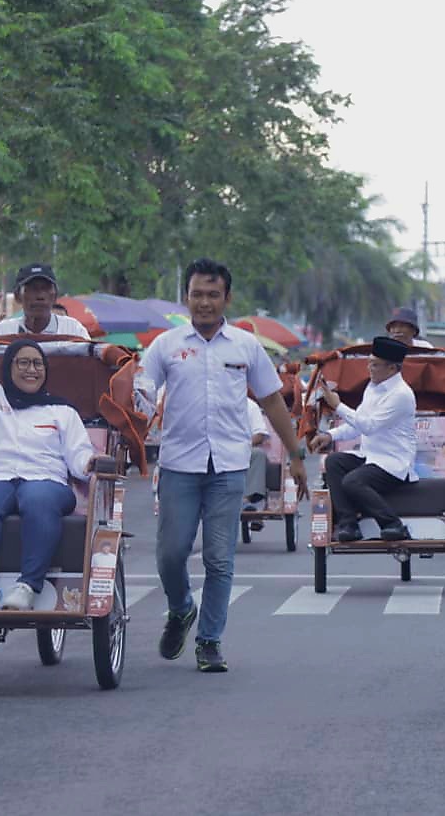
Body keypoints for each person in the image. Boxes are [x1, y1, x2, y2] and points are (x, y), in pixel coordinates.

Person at [139, 257, 307, 673]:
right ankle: (180, 608)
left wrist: (296, 455)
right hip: (179, 463)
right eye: (197, 294)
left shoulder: (246, 346)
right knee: (171, 554)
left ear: (227, 298)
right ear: (187, 298)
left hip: (229, 466)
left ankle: (209, 641)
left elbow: (270, 400)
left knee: (219, 559)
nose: (205, 302)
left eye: (213, 295)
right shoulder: (165, 345)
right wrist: (134, 402)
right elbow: (143, 389)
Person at [0, 292, 98, 612]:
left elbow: (79, 454)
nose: (31, 370)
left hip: (45, 481)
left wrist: (90, 463)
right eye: (22, 363)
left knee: (39, 499)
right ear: (8, 367)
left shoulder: (61, 410)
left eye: (37, 364)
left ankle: (27, 587)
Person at [309, 336, 418, 542]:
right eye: (369, 362)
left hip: (392, 463)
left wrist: (338, 406)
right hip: (370, 457)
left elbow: (369, 426)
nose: (369, 368)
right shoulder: (373, 387)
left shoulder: (401, 394)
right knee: (333, 462)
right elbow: (358, 423)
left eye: (375, 364)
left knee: (352, 481)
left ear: (392, 369)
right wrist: (329, 435)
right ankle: (348, 524)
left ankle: (393, 524)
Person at [0, 263, 91, 338]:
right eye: (33, 289)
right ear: (18, 297)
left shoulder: (73, 330)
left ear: (55, 296)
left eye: (46, 289)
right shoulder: (2, 332)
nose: (40, 296)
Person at [242, 397, 272, 513]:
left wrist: (239, 446)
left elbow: (259, 434)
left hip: (244, 448)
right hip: (215, 448)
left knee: (258, 454)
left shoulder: (250, 406)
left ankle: (247, 501)